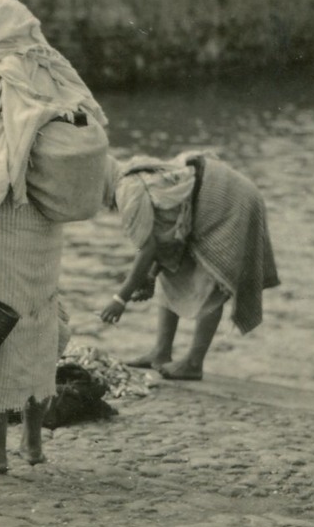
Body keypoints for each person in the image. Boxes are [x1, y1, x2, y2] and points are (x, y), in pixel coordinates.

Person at [0, 0, 110, 473]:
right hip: (46, 216)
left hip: (6, 219)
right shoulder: (52, 68)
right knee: (40, 320)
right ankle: (33, 442)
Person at [99, 151, 280, 381]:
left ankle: (194, 363)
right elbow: (165, 236)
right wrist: (151, 275)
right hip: (208, 193)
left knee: (212, 279)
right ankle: (161, 352)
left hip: (229, 200)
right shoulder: (127, 175)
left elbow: (147, 249)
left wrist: (120, 299)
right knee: (171, 271)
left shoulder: (127, 190)